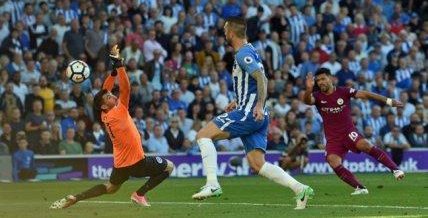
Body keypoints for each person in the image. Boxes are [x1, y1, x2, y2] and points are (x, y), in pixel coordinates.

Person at [192, 17, 314, 210]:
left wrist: (256, 104)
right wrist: (239, 100)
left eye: (225, 30)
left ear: (231, 32)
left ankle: (212, 184)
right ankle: (300, 188)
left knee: (202, 136)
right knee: (257, 165)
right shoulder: (250, 51)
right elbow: (251, 82)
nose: (224, 33)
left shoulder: (242, 54)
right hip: (258, 115)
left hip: (249, 113)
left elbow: (262, 79)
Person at [50, 45, 174, 209]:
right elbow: (126, 88)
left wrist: (113, 73)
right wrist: (119, 65)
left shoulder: (105, 115)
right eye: (109, 97)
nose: (112, 95)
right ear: (104, 105)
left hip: (120, 163)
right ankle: (139, 194)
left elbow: (105, 89)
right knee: (169, 167)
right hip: (137, 161)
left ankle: (76, 197)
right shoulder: (120, 111)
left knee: (111, 188)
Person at [303, 68, 405, 195]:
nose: (320, 82)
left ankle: (395, 170)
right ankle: (360, 187)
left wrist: (389, 101)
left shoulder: (343, 91)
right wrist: (308, 89)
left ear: (330, 79)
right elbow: (307, 101)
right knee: (332, 161)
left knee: (366, 145)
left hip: (348, 132)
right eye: (317, 81)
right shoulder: (317, 96)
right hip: (333, 138)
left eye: (323, 79)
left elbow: (366, 94)